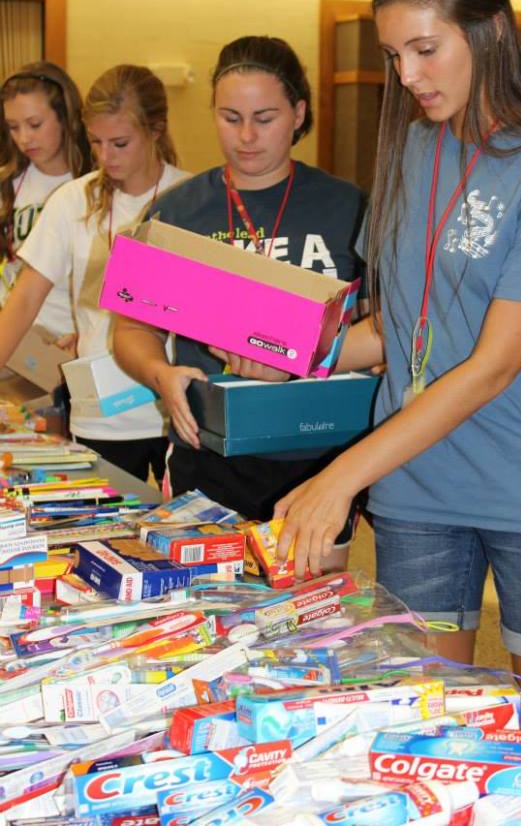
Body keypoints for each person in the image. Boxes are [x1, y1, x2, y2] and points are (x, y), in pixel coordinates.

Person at [267, 0, 521, 727]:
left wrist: (339, 476)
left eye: (425, 49)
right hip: (420, 486)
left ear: (490, 30)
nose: (407, 78)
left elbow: (493, 365)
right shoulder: (412, 150)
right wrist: (290, 354)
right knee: (424, 725)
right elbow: (400, 333)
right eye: (394, 55)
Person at [113, 36, 366, 568]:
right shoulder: (179, 212)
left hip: (316, 455)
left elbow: (383, 329)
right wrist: (160, 374)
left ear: (299, 113)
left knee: (306, 612)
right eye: (230, 118)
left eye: (265, 117)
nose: (247, 136)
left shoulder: (350, 208)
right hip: (209, 450)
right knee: (204, 606)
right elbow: (132, 328)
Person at [0, 64, 190, 481]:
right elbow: (25, 298)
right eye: (96, 142)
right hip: (100, 415)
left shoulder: (190, 198)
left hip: (175, 410)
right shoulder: (72, 201)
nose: (106, 157)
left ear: (155, 130)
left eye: (120, 143)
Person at [0, 62, 91, 341]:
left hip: (70, 338)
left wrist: (84, 336)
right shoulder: (6, 186)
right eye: (13, 127)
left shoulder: (95, 188)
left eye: (35, 124)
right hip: (14, 337)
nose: (24, 138)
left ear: (66, 117)